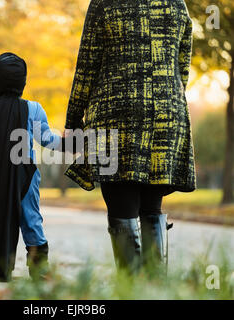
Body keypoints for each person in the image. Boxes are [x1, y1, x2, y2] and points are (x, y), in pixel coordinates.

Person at [64, 0, 196, 273]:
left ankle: (131, 287)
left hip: (116, 112)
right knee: (152, 205)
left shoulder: (104, 4)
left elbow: (87, 66)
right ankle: (154, 287)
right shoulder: (176, 4)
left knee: (121, 200)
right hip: (165, 114)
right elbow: (182, 68)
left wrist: (73, 120)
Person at [0, 52, 70, 281]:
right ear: (22, 83)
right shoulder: (34, 109)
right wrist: (70, 144)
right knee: (31, 220)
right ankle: (40, 273)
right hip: (25, 178)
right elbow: (47, 139)